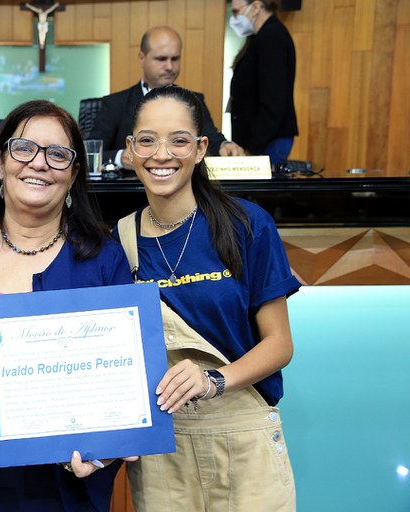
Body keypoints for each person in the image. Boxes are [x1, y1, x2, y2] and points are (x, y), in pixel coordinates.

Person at [0, 99, 135, 511]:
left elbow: (126, 380)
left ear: (74, 173)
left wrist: (107, 449)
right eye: (24, 148)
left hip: (67, 485)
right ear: (0, 163)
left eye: (58, 154)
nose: (39, 163)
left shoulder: (104, 260)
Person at [114, 85, 299, 510]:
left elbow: (279, 343)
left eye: (178, 141)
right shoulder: (120, 241)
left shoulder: (247, 225)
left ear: (200, 149)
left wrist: (213, 380)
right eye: (147, 140)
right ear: (131, 149)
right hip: (164, 451)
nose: (161, 155)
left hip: (244, 439)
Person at [88, 26, 244, 169]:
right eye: (161, 59)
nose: (170, 67)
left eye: (175, 59)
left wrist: (225, 145)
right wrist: (119, 157)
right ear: (142, 58)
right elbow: (89, 152)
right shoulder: (114, 104)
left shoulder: (194, 101)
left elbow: (213, 140)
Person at [229, 0, 298, 164]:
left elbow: (274, 100)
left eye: (236, 11)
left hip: (267, 142)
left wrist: (252, 148)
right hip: (260, 140)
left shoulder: (272, 37)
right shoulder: (258, 38)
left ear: (256, 7)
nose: (234, 18)